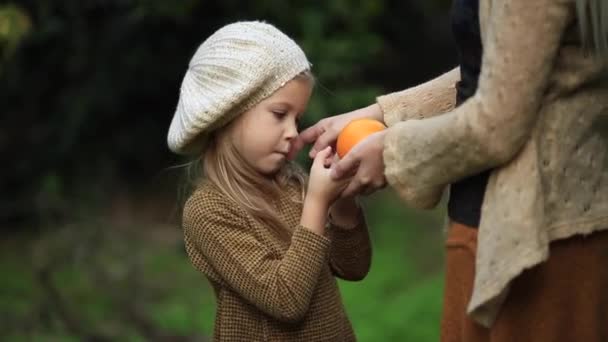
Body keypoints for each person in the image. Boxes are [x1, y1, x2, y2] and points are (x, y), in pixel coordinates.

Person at [293, 0, 608, 340]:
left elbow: (496, 124)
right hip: (506, 221)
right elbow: (508, 63)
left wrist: (392, 150)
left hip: (536, 241)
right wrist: (382, 114)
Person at [166, 21, 371, 342]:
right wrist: (317, 203)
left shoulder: (294, 183)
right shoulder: (208, 212)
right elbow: (284, 301)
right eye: (279, 114)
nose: (292, 131)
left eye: (298, 119)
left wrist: (344, 203)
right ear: (227, 114)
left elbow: (354, 268)